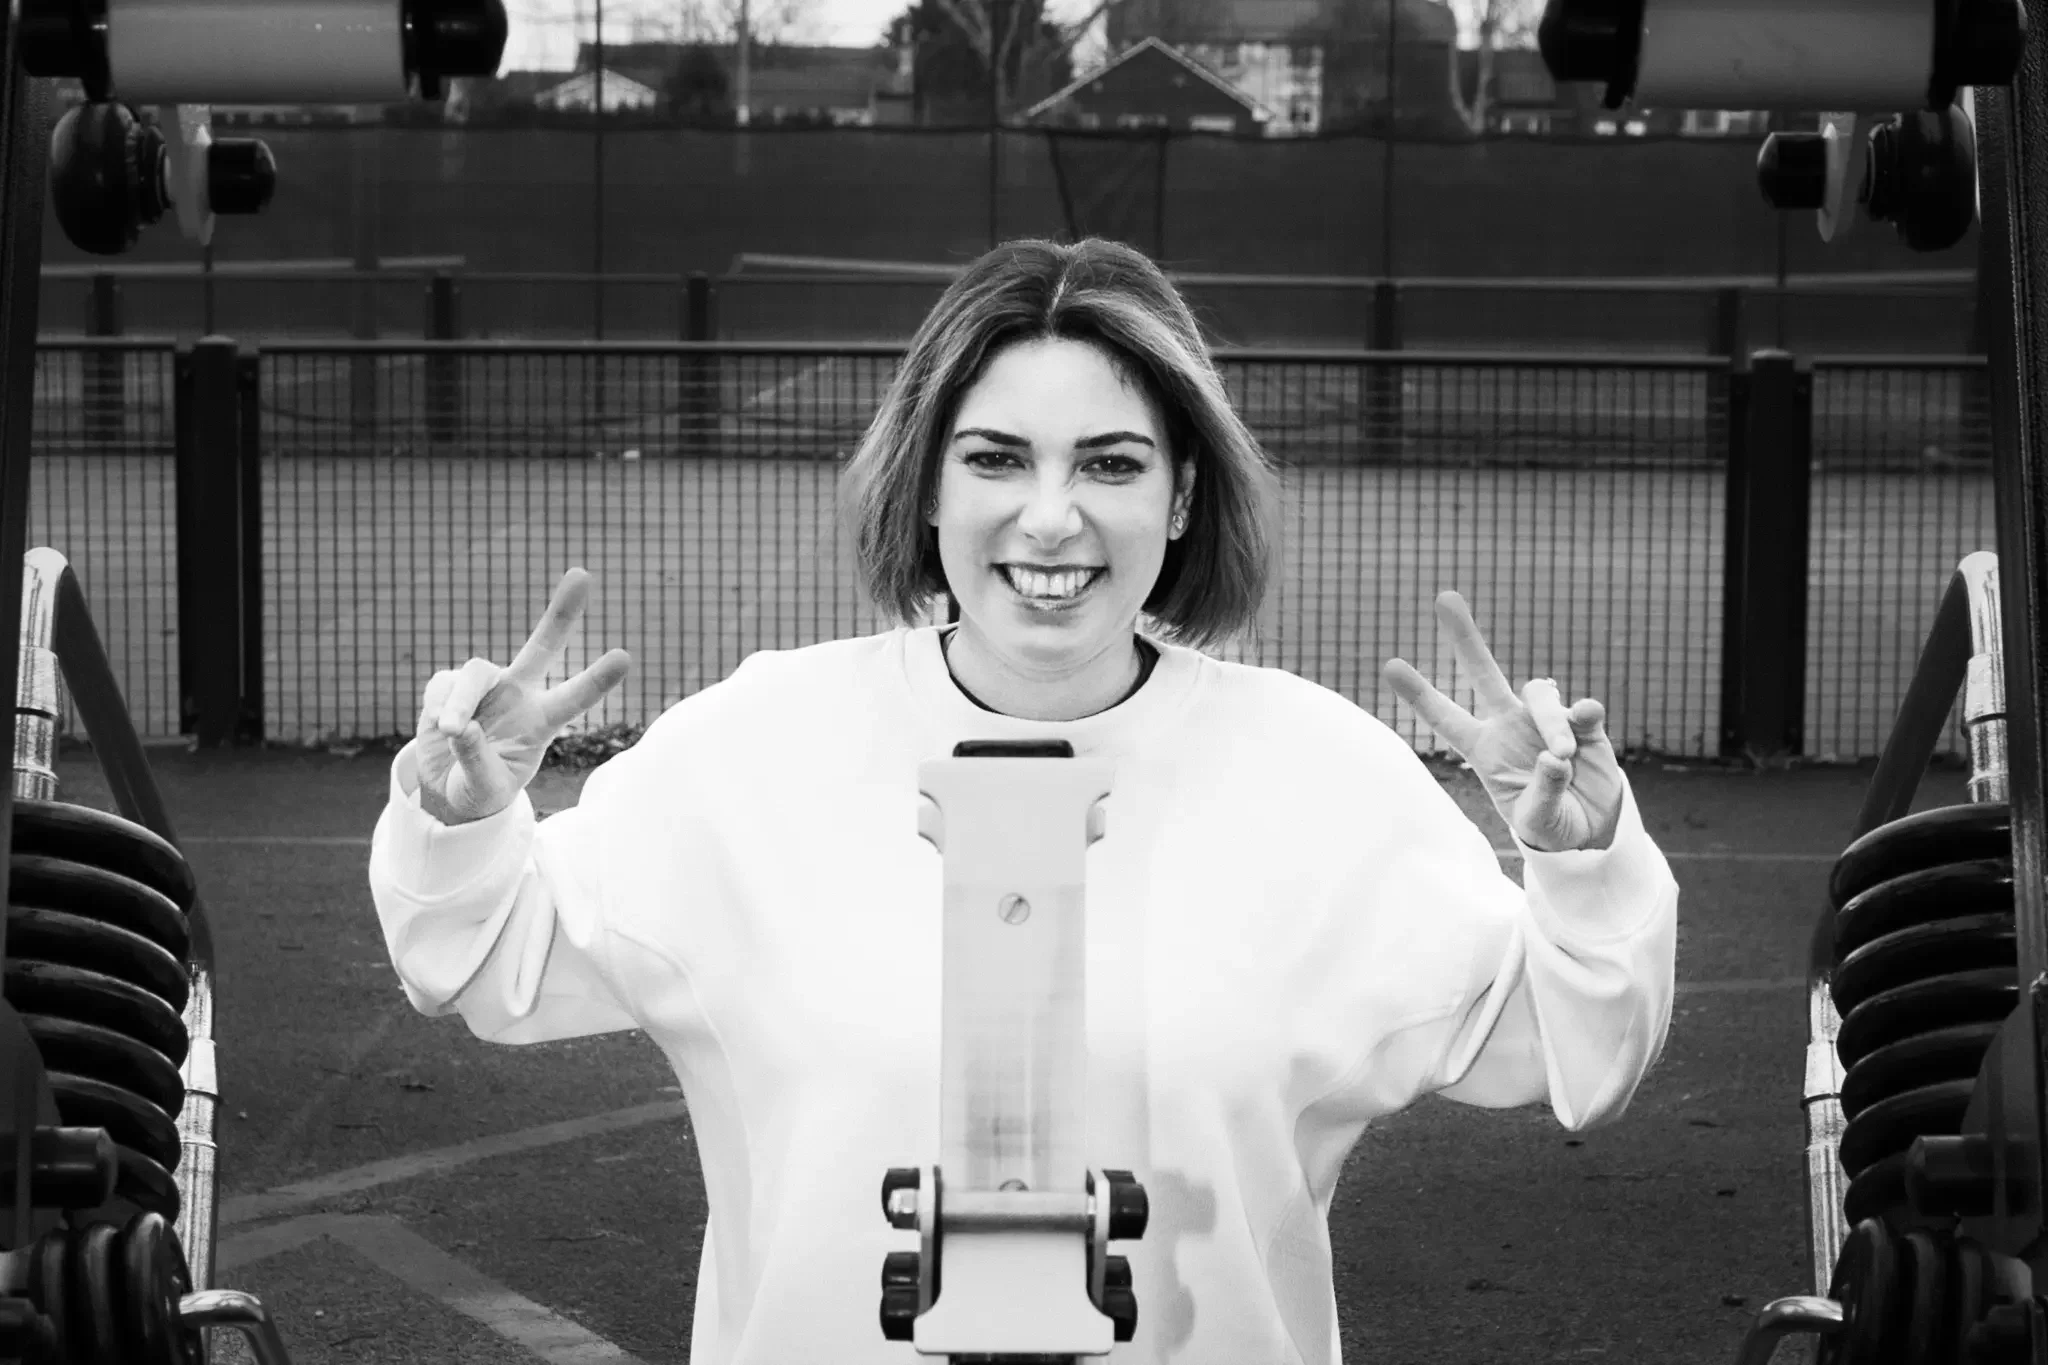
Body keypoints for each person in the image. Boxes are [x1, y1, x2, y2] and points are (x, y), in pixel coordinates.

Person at [368, 237, 1679, 1365]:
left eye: (1111, 465)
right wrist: (470, 821)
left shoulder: (1322, 778)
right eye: (998, 458)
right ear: (926, 484)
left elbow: (1572, 1047)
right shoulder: (755, 748)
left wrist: (1584, 865)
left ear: (1182, 498)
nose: (1051, 518)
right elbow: (495, 959)